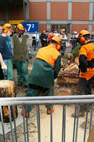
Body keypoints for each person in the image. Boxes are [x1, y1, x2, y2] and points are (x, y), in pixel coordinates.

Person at [21, 36, 62, 117]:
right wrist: (54, 78)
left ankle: (26, 111)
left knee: (31, 92)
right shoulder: (57, 54)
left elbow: (39, 63)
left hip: (35, 75)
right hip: (47, 77)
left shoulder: (41, 50)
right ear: (58, 45)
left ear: (50, 42)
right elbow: (57, 69)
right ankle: (49, 109)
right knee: (50, 92)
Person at [72, 30, 94, 117]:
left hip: (86, 73)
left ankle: (80, 112)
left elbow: (82, 60)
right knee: (88, 90)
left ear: (82, 38)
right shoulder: (92, 45)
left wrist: (84, 70)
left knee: (80, 92)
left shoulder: (84, 48)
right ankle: (87, 107)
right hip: (92, 72)